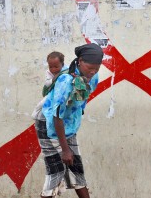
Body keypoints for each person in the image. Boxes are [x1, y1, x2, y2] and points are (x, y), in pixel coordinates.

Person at [35, 43, 103, 198]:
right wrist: (65, 150)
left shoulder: (93, 77)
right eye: (89, 67)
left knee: (75, 169)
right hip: (49, 124)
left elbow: (79, 102)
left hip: (68, 126)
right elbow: (56, 115)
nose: (92, 72)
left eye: (96, 68)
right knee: (56, 173)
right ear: (79, 61)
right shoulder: (66, 81)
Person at [31, 51, 67, 120]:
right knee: (42, 103)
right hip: (51, 92)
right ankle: (35, 113)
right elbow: (47, 84)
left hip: (62, 93)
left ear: (62, 64)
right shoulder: (48, 72)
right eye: (50, 67)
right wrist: (53, 79)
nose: (53, 69)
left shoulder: (66, 70)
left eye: (56, 67)